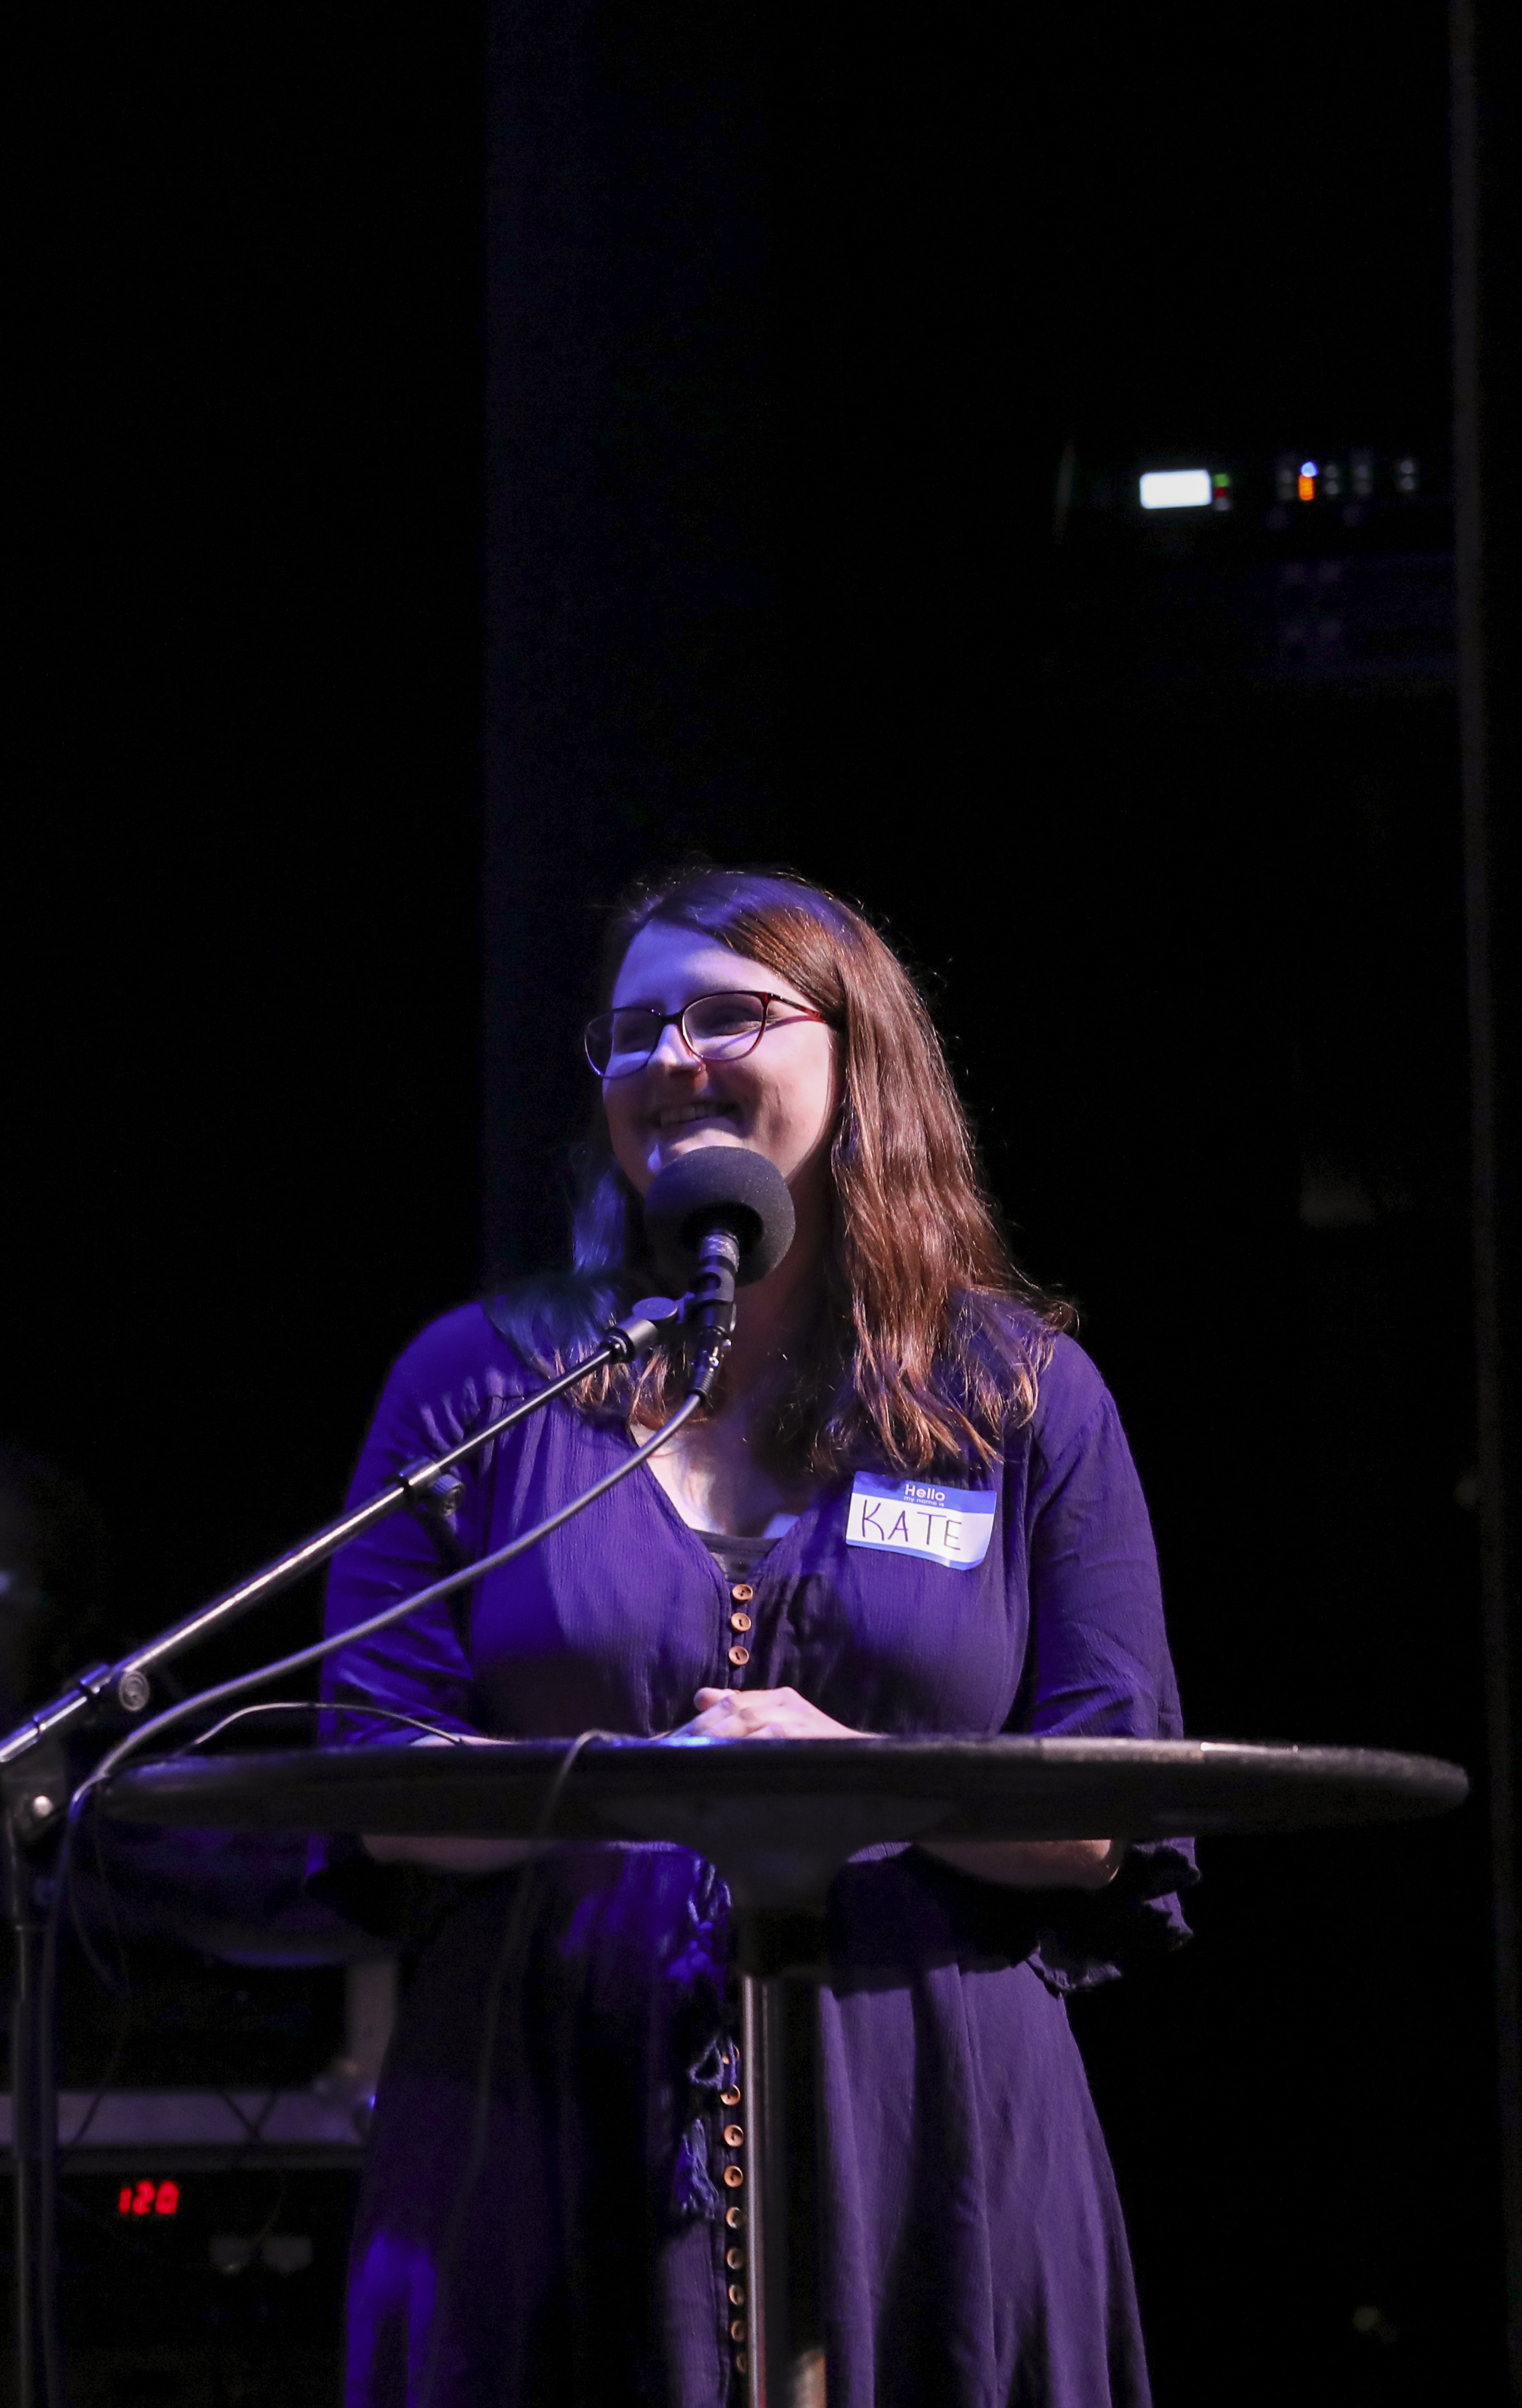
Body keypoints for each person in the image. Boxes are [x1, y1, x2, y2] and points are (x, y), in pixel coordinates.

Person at [320, 865, 1191, 2406]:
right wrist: (642, 1778)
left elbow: (1106, 1813)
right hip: (537, 2137)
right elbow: (378, 1778)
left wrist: (851, 1773)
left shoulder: (1020, 1396)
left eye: (727, 1014)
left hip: (938, 2147)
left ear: (860, 1063)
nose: (670, 1057)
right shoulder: (479, 1378)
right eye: (633, 1030)